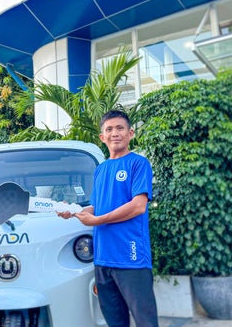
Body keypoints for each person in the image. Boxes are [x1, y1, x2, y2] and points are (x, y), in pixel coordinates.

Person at [58, 110, 158, 327]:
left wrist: (98, 221)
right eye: (109, 129)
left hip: (131, 257)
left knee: (145, 321)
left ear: (130, 133)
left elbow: (138, 206)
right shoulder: (101, 170)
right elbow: (96, 208)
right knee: (114, 322)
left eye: (120, 128)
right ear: (102, 137)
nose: (115, 133)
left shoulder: (138, 164)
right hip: (103, 259)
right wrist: (72, 211)